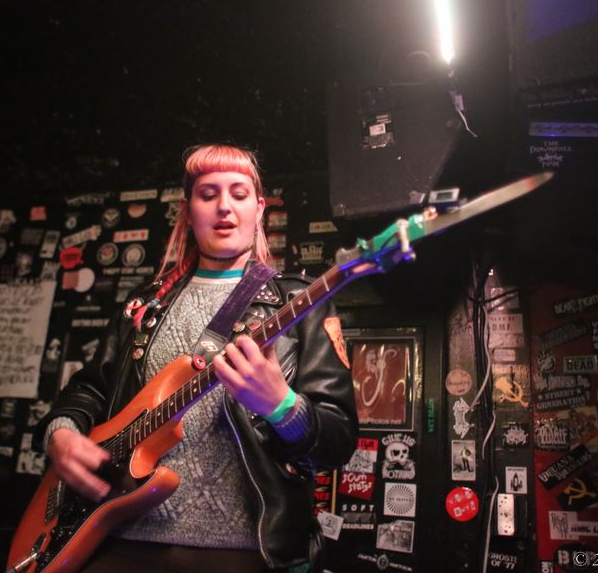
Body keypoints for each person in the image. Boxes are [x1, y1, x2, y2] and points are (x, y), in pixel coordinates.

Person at [33, 144, 357, 573]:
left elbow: (338, 441)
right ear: (187, 212)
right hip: (120, 539)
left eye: (239, 194)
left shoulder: (299, 303)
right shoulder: (146, 306)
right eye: (208, 194)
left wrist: (282, 406)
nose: (224, 206)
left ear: (259, 209)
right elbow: (90, 388)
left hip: (248, 553)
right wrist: (61, 434)